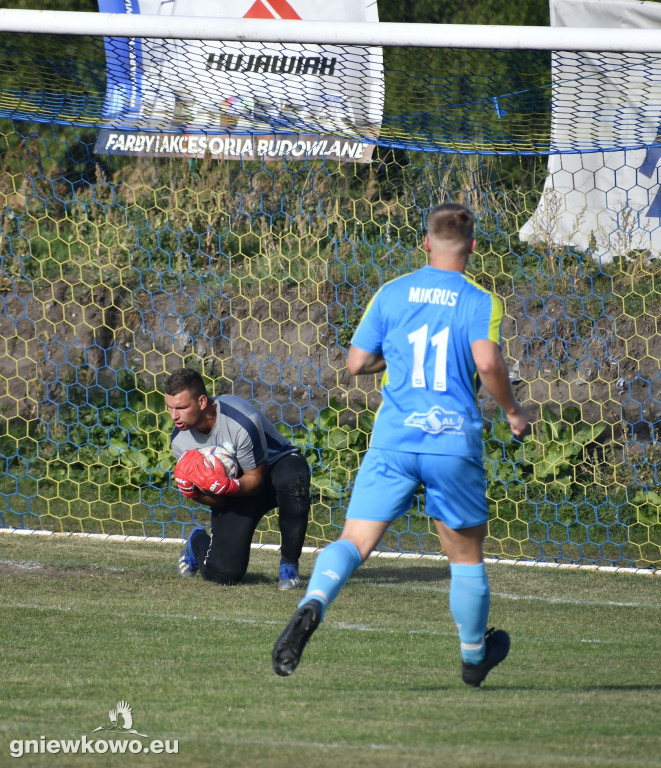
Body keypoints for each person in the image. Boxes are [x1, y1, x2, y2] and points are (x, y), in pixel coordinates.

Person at [272, 202, 530, 685]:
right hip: (451, 442)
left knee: (354, 541)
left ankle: (314, 601)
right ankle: (474, 657)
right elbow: (488, 363)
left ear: (426, 243)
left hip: (394, 439)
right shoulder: (481, 300)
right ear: (473, 247)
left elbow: (356, 362)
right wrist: (514, 411)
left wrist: (395, 359)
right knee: (465, 557)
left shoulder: (391, 292)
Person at [165, 368, 311, 589]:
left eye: (182, 407)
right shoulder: (180, 443)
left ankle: (289, 566)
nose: (174, 416)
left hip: (271, 470)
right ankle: (196, 541)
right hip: (236, 490)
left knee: (293, 479)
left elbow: (256, 480)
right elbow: (219, 501)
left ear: (202, 402)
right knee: (223, 573)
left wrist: (229, 486)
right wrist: (194, 494)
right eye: (169, 407)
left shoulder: (240, 421)